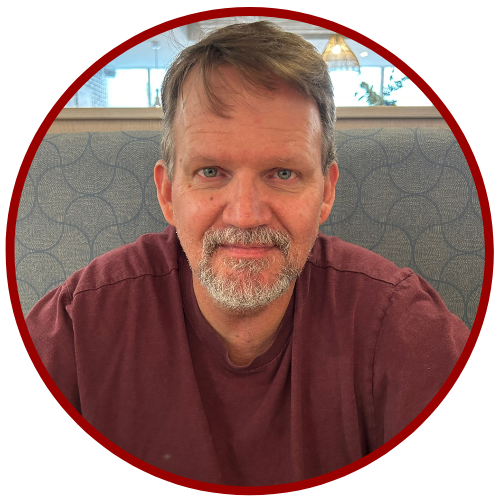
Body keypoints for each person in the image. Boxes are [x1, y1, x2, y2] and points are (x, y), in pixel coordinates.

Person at [26, 21, 469, 486]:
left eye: (282, 173)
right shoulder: (78, 327)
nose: (245, 215)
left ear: (325, 194)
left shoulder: (398, 323)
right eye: (211, 171)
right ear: (168, 193)